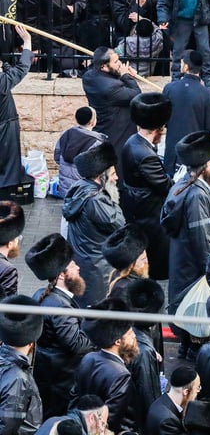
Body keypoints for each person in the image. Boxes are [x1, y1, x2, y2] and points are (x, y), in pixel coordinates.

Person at [160, 131, 210, 316]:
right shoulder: (197, 196)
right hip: (194, 275)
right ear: (203, 169)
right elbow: (202, 242)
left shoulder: (184, 186)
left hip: (184, 268)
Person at [62, 143, 125, 308]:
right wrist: (113, 201)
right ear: (101, 176)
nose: (116, 178)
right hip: (98, 270)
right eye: (113, 173)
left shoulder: (80, 187)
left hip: (84, 262)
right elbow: (120, 225)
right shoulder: (97, 201)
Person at [162, 50, 210, 177]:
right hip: (195, 156)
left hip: (173, 154)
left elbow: (162, 119)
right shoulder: (207, 94)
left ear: (186, 66)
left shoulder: (169, 88)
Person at [82, 46, 142, 151]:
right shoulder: (111, 88)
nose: (119, 63)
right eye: (115, 62)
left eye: (118, 59)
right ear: (104, 67)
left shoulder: (88, 77)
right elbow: (136, 94)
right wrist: (126, 76)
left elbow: (109, 78)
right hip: (117, 135)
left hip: (103, 129)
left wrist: (123, 74)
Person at [0, 24, 32, 193]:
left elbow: (7, 73)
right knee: (7, 168)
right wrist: (27, 42)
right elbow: (21, 69)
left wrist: (3, 66)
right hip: (4, 128)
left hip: (5, 124)